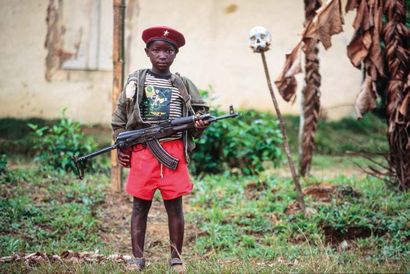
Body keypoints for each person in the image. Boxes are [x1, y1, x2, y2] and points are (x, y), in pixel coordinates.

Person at [111, 26, 209, 272]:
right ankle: (137, 259)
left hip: (173, 151)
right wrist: (120, 144)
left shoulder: (183, 84)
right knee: (139, 206)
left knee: (174, 206)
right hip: (142, 151)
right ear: (147, 52)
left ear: (175, 54)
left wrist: (199, 125)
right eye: (157, 50)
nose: (162, 55)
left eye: (169, 51)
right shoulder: (137, 80)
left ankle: (176, 259)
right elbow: (120, 117)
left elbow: (199, 116)